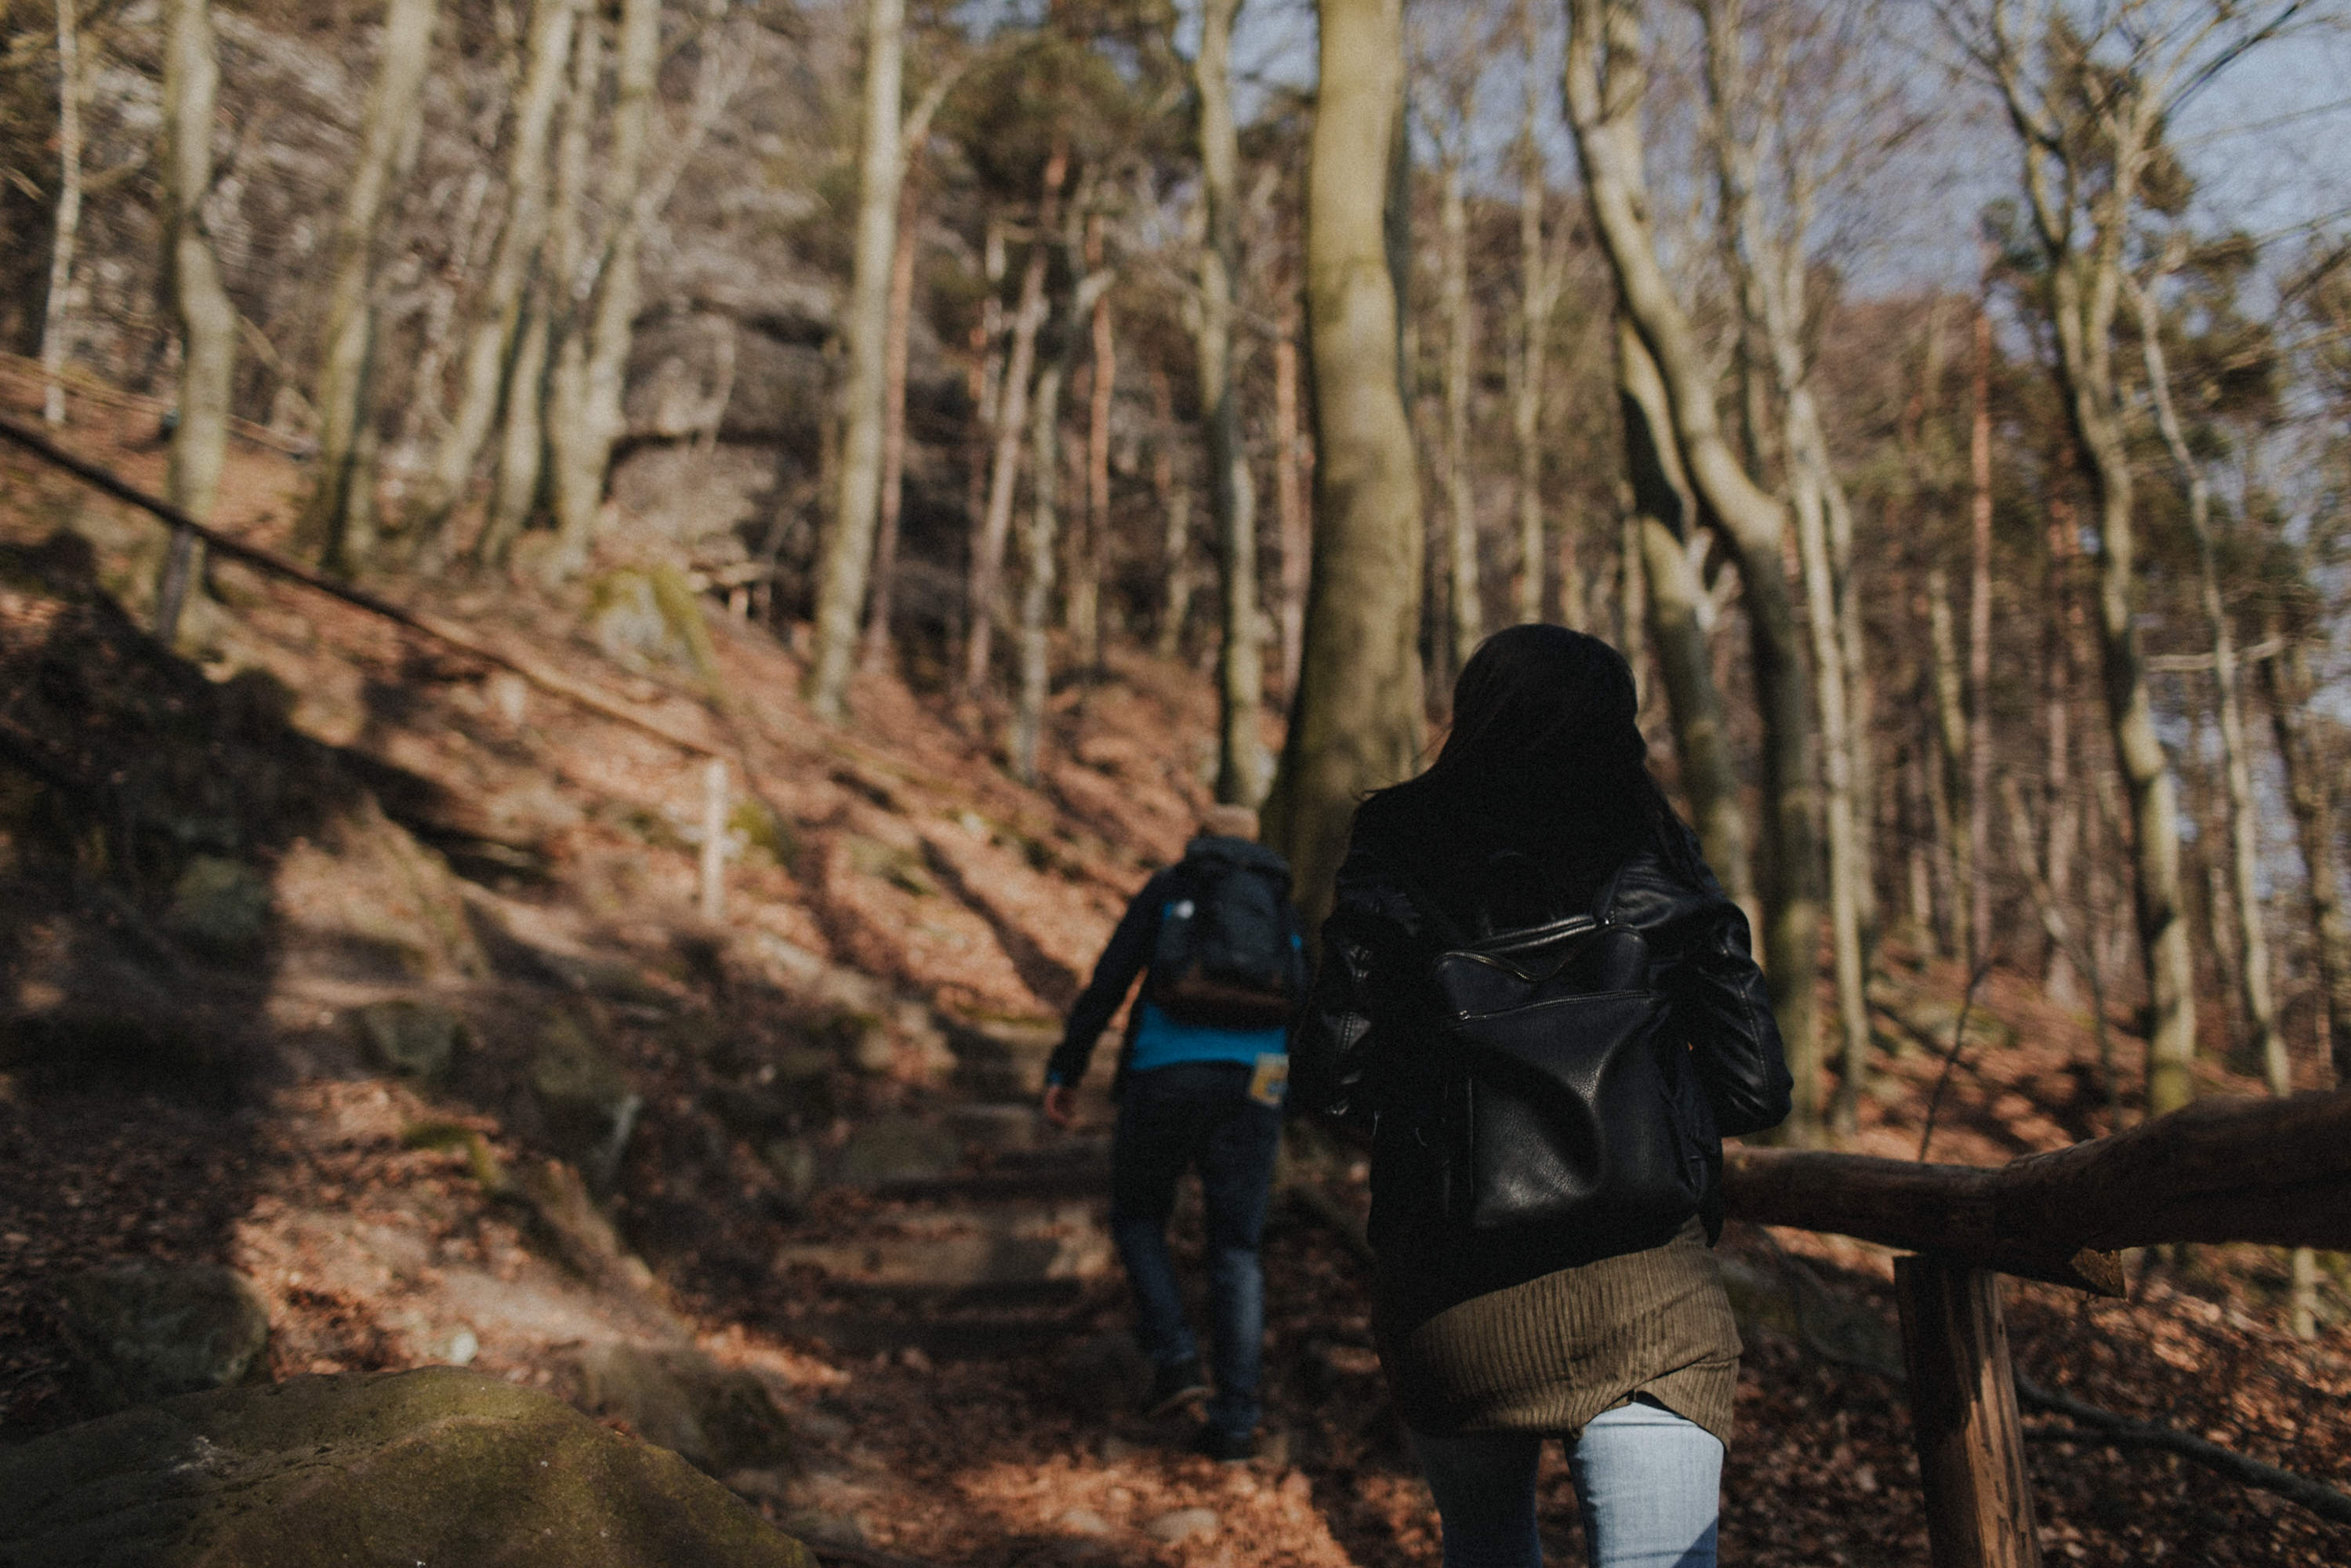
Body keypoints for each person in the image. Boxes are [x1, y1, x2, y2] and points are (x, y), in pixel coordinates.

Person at [1292, 625, 1792, 1568]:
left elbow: (1330, 1073)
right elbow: (1754, 1085)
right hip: (1645, 1299)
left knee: (1486, 1547)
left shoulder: (1396, 839)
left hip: (1451, 1290)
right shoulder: (1657, 848)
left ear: (1472, 713)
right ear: (1619, 728)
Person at [1042, 802, 1306, 1462]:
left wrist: (1066, 1067)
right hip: (1256, 1082)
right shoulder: (1278, 899)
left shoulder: (1172, 886)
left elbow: (1110, 979)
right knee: (1237, 1251)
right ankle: (1238, 1422)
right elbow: (1306, 996)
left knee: (1136, 1218)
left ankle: (1178, 1358)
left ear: (1199, 839)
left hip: (1167, 1072)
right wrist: (1296, 1094)